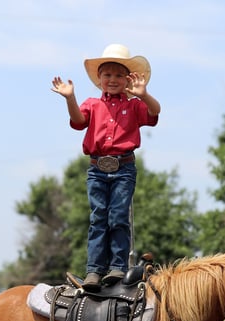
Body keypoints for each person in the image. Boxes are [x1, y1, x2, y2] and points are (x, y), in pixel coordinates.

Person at [51, 44, 161, 292]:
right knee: (98, 217)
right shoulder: (92, 104)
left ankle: (117, 267)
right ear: (99, 79)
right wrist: (70, 98)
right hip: (97, 169)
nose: (113, 80)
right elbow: (78, 121)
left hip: (123, 168)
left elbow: (155, 112)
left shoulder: (134, 106)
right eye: (107, 75)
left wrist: (143, 94)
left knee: (118, 216)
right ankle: (94, 270)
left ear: (128, 79)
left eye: (119, 75)